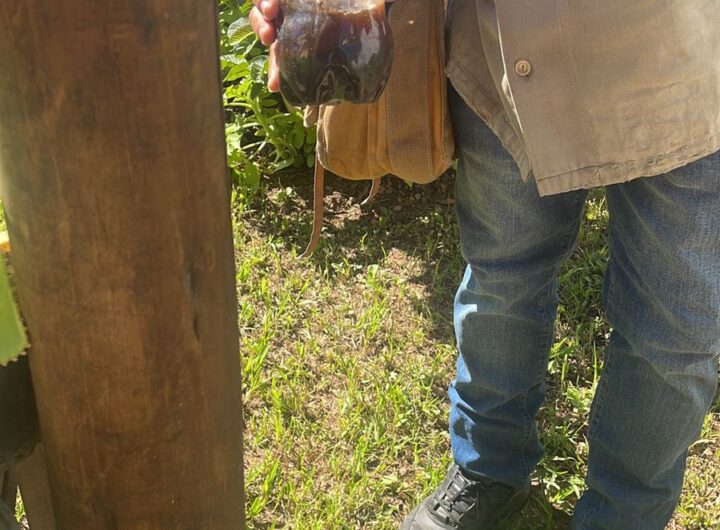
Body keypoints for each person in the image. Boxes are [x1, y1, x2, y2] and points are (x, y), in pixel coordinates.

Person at [250, 1, 720, 528]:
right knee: (502, 284)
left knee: (672, 335)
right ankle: (487, 469)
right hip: (505, 56)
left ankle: (625, 517)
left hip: (684, 57)